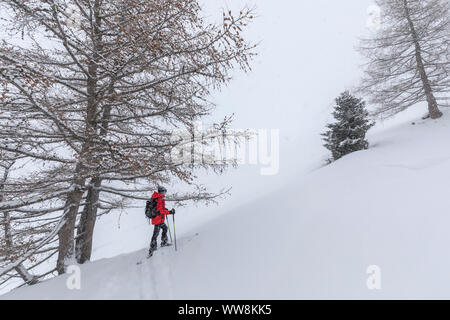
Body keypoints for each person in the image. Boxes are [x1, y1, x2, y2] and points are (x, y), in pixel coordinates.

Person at [149, 186, 175, 256]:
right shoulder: (159, 199)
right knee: (155, 234)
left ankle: (163, 242)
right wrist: (169, 212)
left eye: (165, 192)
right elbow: (160, 211)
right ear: (160, 191)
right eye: (163, 191)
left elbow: (161, 209)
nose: (164, 193)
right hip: (157, 220)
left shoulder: (159, 198)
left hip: (159, 219)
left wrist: (167, 210)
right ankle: (152, 250)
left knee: (165, 228)